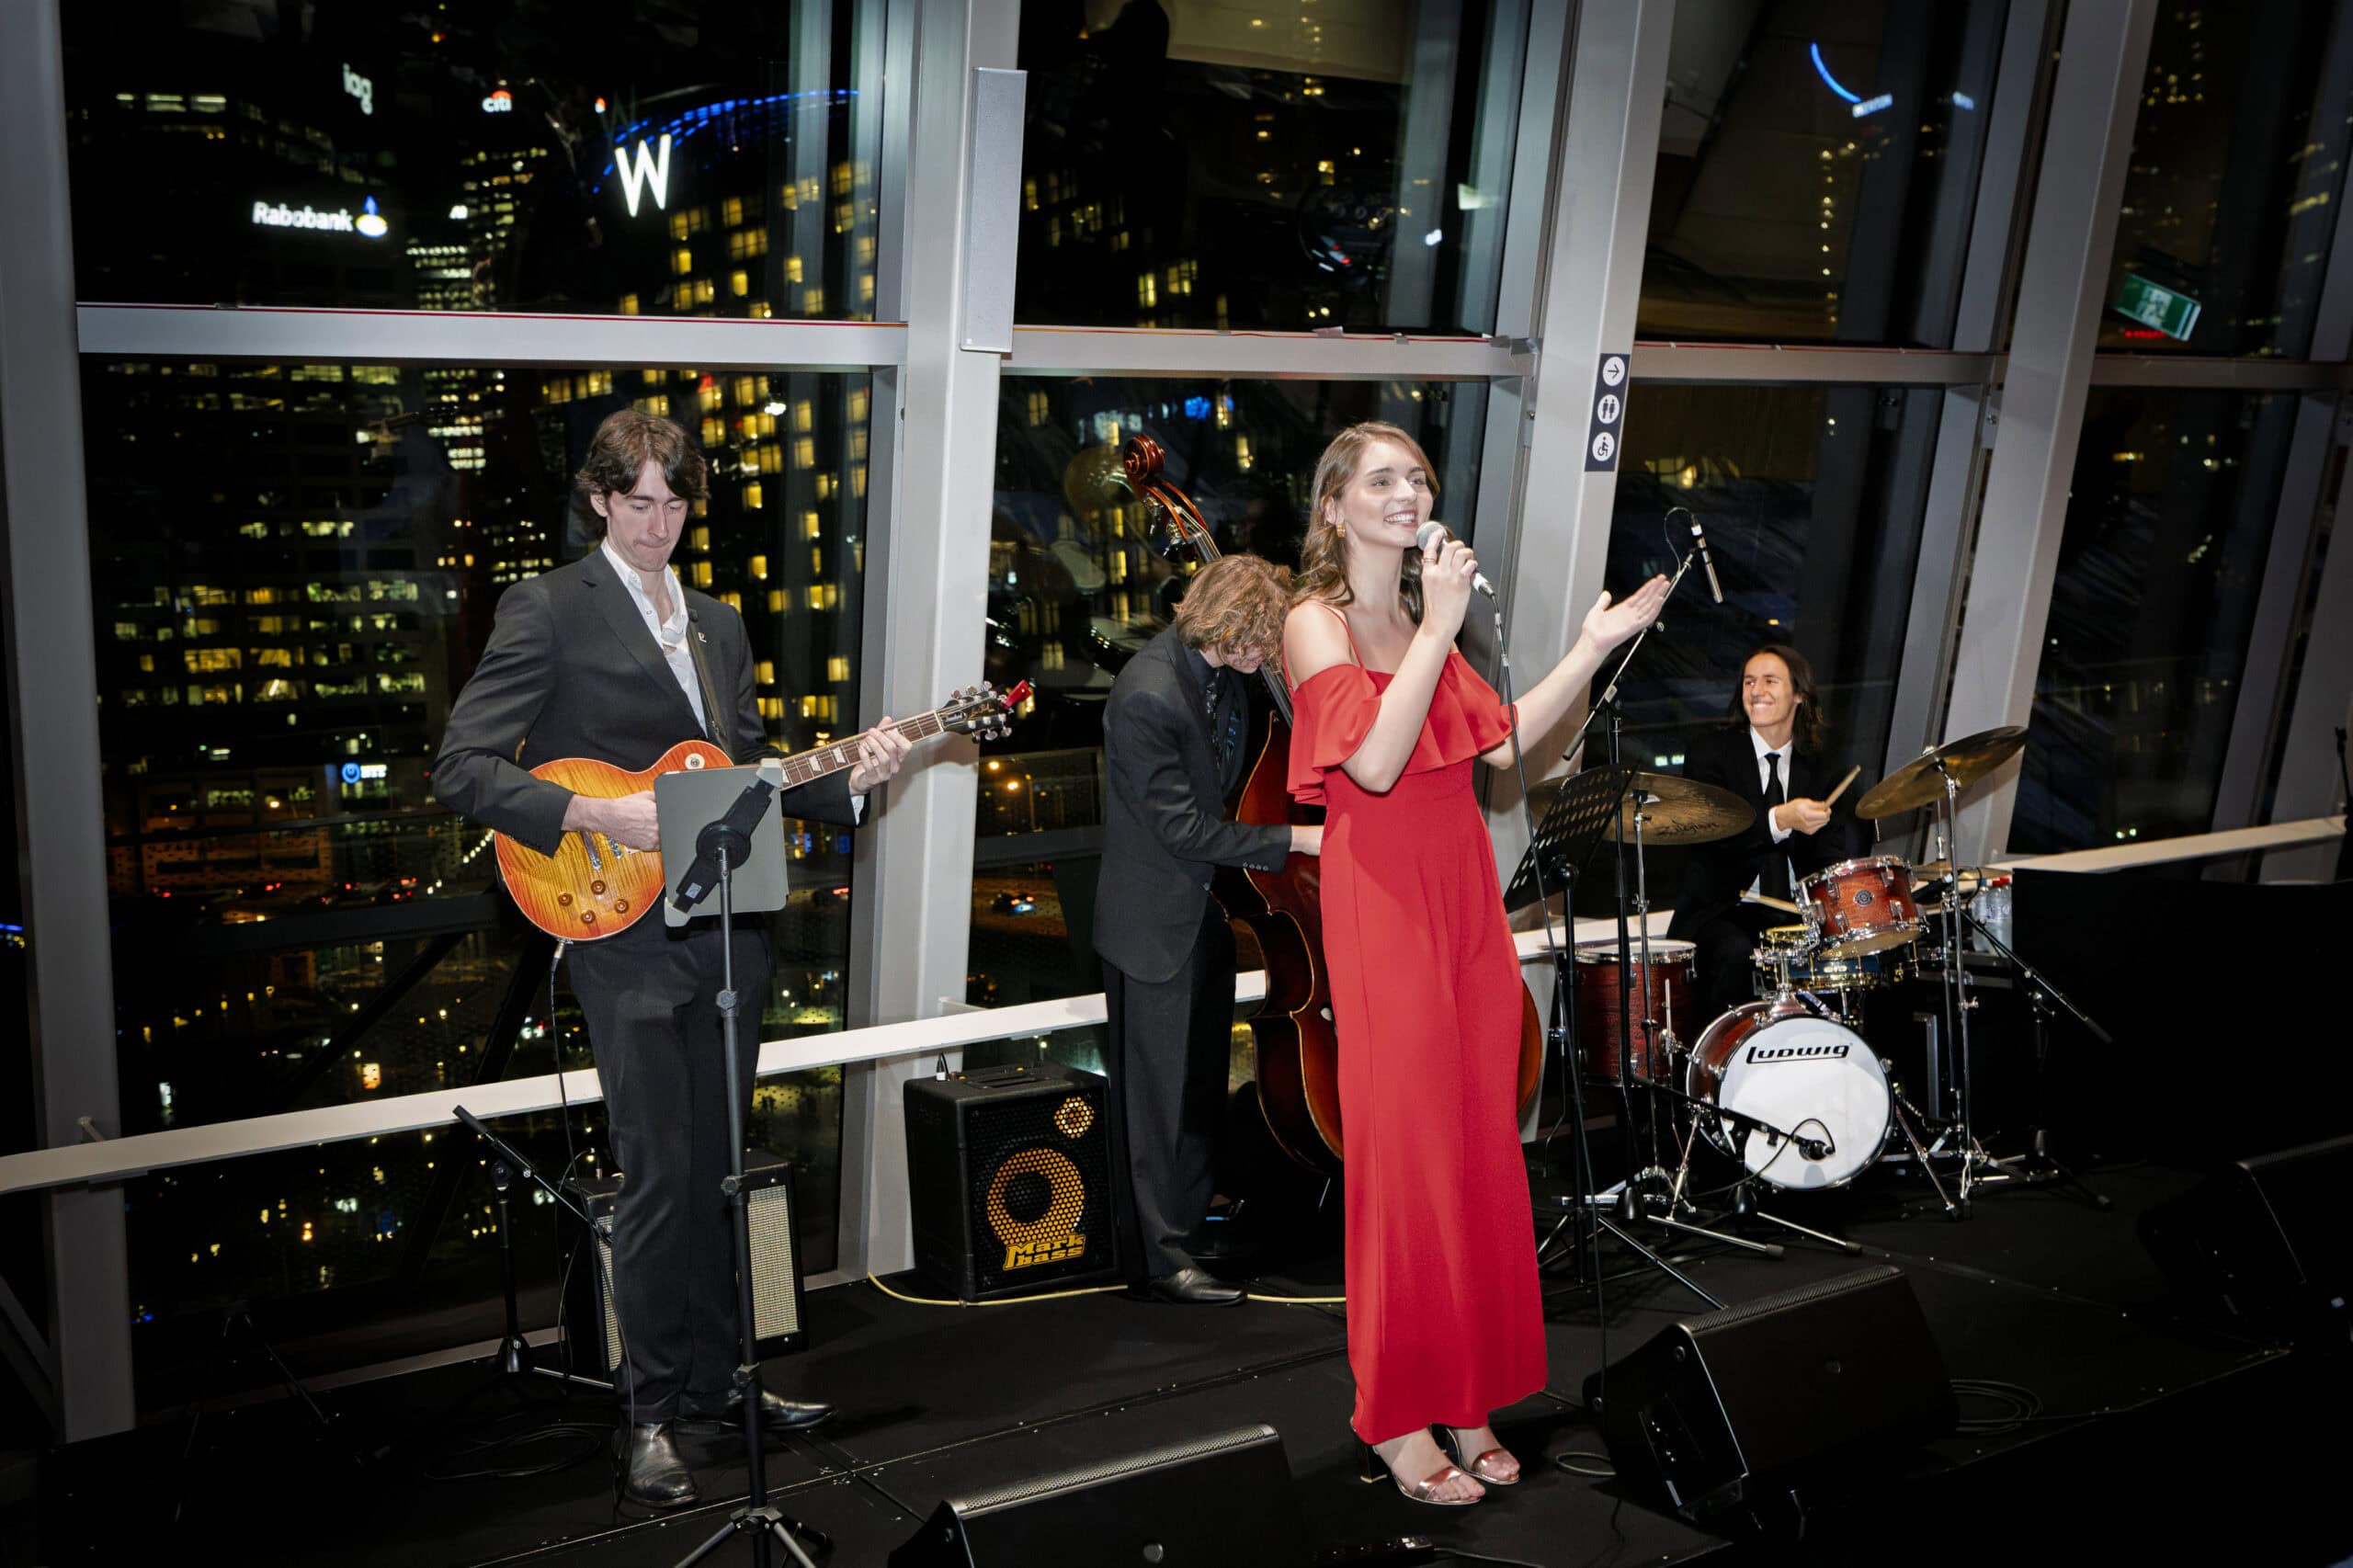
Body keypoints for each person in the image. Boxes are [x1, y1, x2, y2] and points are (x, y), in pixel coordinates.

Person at [431, 411, 911, 1508]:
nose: (657, 525)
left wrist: (855, 775)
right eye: (637, 502)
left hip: (729, 927)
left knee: (719, 1174)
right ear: (600, 499)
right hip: (622, 932)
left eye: (675, 503)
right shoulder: (547, 607)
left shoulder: (719, 623)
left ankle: (716, 1383)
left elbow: (745, 772)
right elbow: (462, 766)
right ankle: (648, 1415)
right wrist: (597, 815)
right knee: (655, 1179)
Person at [1281, 422, 1667, 1506]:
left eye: (1417, 477)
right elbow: (1373, 759)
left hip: (1463, 904)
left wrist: (1588, 648)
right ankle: (1397, 1416)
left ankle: (1466, 1395)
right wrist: (1441, 624)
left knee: (1475, 1155)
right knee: (1406, 1169)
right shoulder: (1314, 621)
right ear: (1334, 506)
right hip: (1384, 907)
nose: (1409, 493)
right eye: (1382, 480)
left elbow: (1498, 747)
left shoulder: (1421, 622)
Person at [1094, 555, 1322, 1305]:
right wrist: (1299, 838)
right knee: (1154, 1106)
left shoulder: (1224, 676)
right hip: (1151, 924)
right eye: (1259, 641)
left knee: (1195, 1095)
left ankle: (1187, 1232)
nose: (1268, 657)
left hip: (1203, 917)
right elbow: (1186, 830)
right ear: (1224, 625)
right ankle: (1159, 1264)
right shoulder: (1148, 694)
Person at [1665, 643, 1868, 1021]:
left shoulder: (1821, 767)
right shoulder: (1710, 754)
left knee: (1864, 954)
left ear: (1799, 696)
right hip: (1723, 911)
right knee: (1735, 953)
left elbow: (1830, 853)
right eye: (1749, 681)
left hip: (1795, 915)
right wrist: (1780, 820)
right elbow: (1715, 834)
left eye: (1770, 681)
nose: (1756, 690)